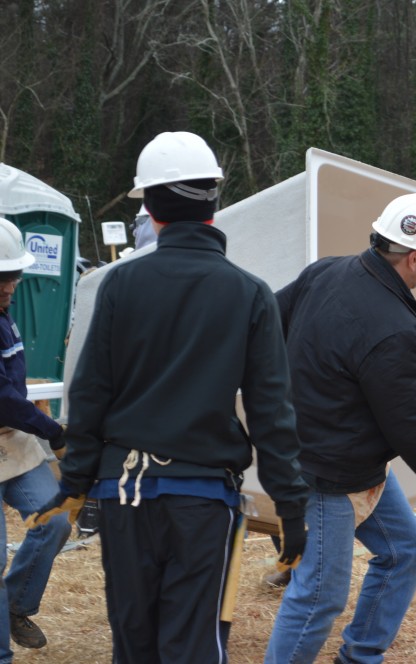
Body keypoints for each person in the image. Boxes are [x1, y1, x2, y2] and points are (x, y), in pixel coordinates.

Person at [27, 131, 310, 663]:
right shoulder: (248, 292)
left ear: (150, 209)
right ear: (215, 204)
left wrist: (76, 482)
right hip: (202, 501)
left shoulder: (119, 285)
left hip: (123, 497)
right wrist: (292, 509)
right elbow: (273, 412)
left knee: (134, 647)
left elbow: (89, 393)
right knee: (193, 646)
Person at [265, 192, 416, 664]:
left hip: (349, 462)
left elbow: (266, 326)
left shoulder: (327, 270)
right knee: (318, 595)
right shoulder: (393, 327)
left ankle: (359, 656)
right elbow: (413, 428)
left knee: (404, 553)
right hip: (328, 475)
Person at [0, 218, 72, 660]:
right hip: (15, 425)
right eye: (1, 277)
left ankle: (15, 605)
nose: (10, 285)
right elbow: (3, 398)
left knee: (56, 519)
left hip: (13, 442)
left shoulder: (5, 315)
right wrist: (55, 433)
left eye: (13, 275)